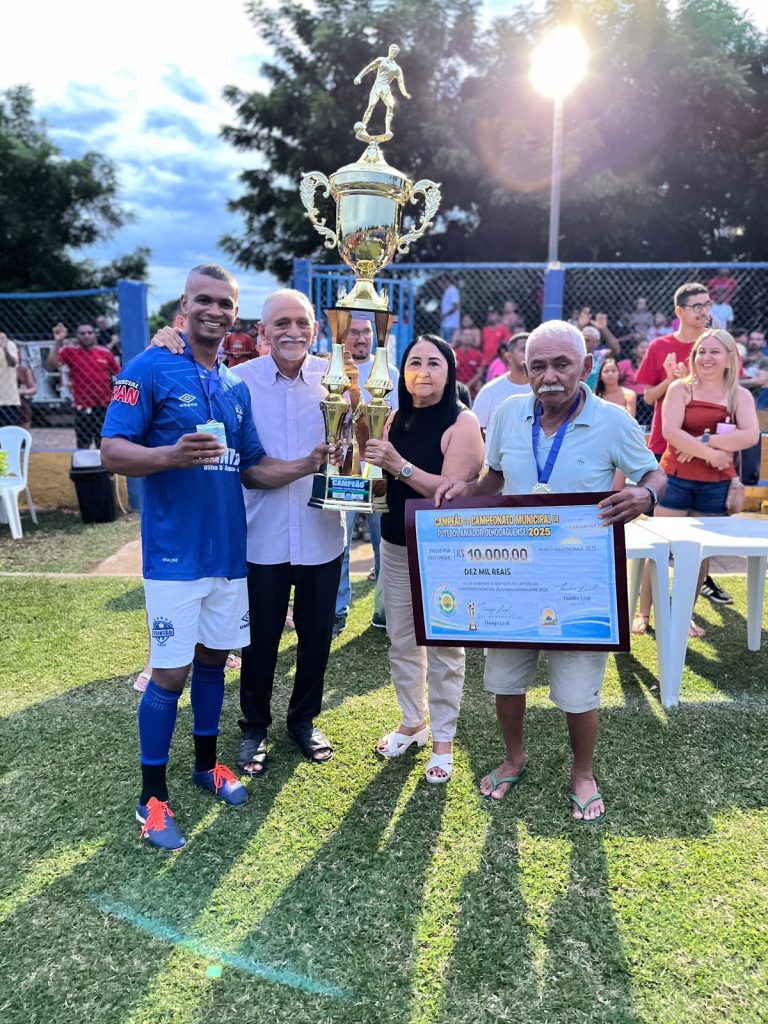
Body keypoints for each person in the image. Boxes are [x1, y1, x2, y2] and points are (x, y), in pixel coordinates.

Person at [435, 320, 665, 820]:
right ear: (525, 368)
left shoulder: (613, 420)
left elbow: (654, 471)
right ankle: (513, 758)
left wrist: (645, 494)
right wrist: (464, 493)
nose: (550, 376)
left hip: (579, 580)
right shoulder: (508, 413)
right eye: (538, 366)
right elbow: (494, 478)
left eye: (562, 364)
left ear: (587, 365)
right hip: (514, 577)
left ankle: (582, 772)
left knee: (579, 689)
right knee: (505, 679)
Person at [100, 264, 280, 850]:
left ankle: (206, 765)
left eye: (225, 304)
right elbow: (111, 451)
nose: (215, 311)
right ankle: (151, 797)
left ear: (235, 313)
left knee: (212, 662)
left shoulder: (234, 386)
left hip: (228, 556)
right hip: (174, 557)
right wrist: (169, 457)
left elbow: (253, 467)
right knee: (170, 673)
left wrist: (312, 462)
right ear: (184, 305)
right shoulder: (149, 367)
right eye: (205, 300)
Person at [364, 334, 484, 782]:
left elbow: (448, 493)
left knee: (444, 645)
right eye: (415, 362)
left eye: (434, 363)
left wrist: (398, 465)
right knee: (402, 640)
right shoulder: (395, 416)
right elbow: (384, 481)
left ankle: (444, 740)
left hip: (442, 552)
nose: (424, 371)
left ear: (449, 371)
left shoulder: (462, 422)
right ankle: (412, 722)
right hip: (395, 545)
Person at [633, 329, 759, 637]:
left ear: (730, 358)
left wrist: (703, 443)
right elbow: (671, 432)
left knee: (700, 554)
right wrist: (711, 453)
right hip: (675, 479)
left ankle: (683, 615)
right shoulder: (680, 388)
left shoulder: (739, 395)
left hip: (715, 484)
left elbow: (750, 435)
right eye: (701, 351)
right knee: (660, 549)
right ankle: (644, 612)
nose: (706, 357)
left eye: (714, 352)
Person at [635, 281, 733, 607]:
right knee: (663, 536)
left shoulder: (719, 344)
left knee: (701, 536)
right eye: (697, 306)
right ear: (679, 311)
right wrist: (672, 380)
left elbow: (732, 392)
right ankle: (646, 610)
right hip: (667, 448)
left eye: (708, 304)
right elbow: (648, 397)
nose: (705, 311)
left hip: (710, 452)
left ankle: (689, 603)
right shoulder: (660, 346)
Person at [333, 315, 400, 636]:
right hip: (344, 470)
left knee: (385, 542)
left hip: (380, 470)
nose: (361, 338)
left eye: (367, 332)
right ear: (342, 335)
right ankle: (337, 611)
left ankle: (386, 612)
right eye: (354, 332)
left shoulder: (391, 372)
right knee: (339, 544)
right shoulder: (331, 369)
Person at [47, 321, 120, 448]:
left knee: (105, 445)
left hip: (104, 406)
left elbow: (119, 375)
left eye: (89, 333)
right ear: (76, 336)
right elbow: (52, 365)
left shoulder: (105, 353)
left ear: (95, 335)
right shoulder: (70, 352)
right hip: (82, 406)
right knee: (83, 445)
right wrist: (58, 341)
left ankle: (105, 462)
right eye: (82, 333)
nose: (86, 336)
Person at [472, 332, 530, 440]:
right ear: (509, 356)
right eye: (524, 350)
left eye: (533, 350)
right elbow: (475, 429)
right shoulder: (490, 390)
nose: (530, 354)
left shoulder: (542, 390)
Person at [354, 44, 411, 139]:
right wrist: (359, 76)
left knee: (390, 106)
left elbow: (401, 83)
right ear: (389, 51)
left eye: (396, 52)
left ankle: (387, 130)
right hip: (377, 86)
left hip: (386, 88)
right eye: (392, 51)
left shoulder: (397, 68)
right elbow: (369, 68)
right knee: (371, 105)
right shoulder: (381, 60)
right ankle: (363, 127)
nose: (394, 53)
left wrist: (405, 93)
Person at [454, 326, 484, 398]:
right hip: (456, 390)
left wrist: (467, 385)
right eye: (465, 335)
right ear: (460, 337)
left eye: (470, 335)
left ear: (472, 338)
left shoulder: (478, 355)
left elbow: (479, 373)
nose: (467, 337)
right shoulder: (454, 353)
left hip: (472, 393)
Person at [0, 332, 20, 426]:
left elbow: (13, 363)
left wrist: (5, 349)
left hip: (7, 399)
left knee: (8, 431)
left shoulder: (10, 344)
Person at [15, 353, 37, 430]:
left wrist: (23, 391)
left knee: (23, 431)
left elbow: (34, 388)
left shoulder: (23, 371)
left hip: (20, 405)